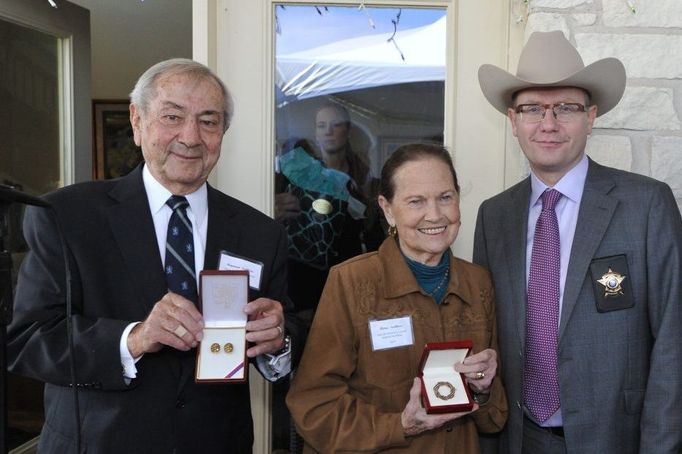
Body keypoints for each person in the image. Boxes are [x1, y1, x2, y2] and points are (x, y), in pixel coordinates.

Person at [7, 58, 302, 453]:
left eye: (208, 122)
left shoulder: (260, 233)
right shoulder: (66, 217)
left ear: (223, 133)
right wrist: (135, 338)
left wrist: (278, 341)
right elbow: (29, 340)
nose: (190, 136)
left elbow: (284, 329)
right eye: (172, 117)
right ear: (137, 121)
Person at [473, 31, 682, 453]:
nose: (548, 123)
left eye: (565, 108)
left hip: (616, 440)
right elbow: (487, 332)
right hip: (521, 438)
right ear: (513, 121)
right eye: (533, 108)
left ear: (590, 116)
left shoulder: (646, 204)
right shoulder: (494, 217)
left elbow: (674, 341)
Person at [287, 143, 507, 453]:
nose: (435, 215)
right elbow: (313, 407)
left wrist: (483, 390)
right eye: (416, 201)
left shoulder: (479, 283)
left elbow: (495, 419)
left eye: (445, 197)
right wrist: (400, 425)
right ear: (388, 209)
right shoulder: (351, 282)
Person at [274, 103, 384, 318]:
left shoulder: (366, 178)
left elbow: (372, 231)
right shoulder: (295, 174)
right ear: (315, 132)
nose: (328, 131)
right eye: (321, 125)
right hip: (302, 278)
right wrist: (274, 208)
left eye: (336, 125)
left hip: (350, 275)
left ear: (348, 130)